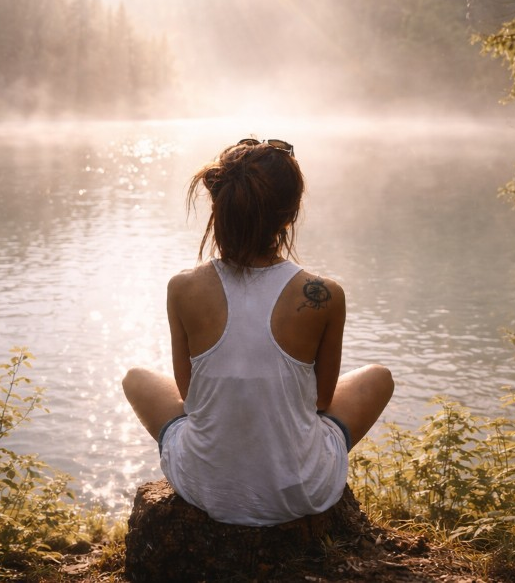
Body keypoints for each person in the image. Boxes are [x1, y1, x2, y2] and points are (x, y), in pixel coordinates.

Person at [122, 138, 394, 526]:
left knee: (135, 379)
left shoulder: (182, 287)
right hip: (302, 489)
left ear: (219, 207)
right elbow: (321, 401)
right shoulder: (324, 294)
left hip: (205, 485)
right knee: (379, 377)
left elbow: (188, 395)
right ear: (289, 215)